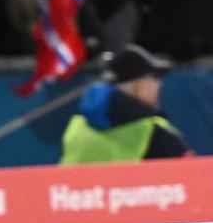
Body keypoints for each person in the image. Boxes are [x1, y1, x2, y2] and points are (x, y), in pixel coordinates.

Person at [60, 44, 189, 164]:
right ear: (138, 86)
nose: (158, 85)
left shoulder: (76, 128)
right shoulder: (155, 133)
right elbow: (189, 174)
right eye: (153, 78)